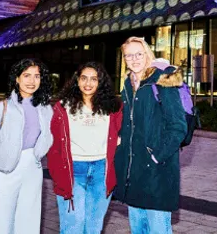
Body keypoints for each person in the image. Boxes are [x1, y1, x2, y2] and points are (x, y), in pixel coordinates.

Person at [115, 37, 187, 234]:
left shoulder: (162, 81)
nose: (134, 59)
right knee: (138, 229)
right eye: (129, 55)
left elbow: (178, 126)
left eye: (139, 54)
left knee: (157, 229)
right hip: (134, 170)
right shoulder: (128, 85)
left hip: (157, 171)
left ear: (147, 54)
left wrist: (157, 155)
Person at [0, 59, 54, 233]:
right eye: (26, 75)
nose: (32, 81)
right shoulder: (0, 110)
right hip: (5, 172)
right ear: (17, 79)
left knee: (29, 224)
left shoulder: (46, 109)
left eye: (37, 76)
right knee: (0, 224)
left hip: (33, 170)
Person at [48, 61, 122, 234]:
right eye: (84, 78)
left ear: (100, 82)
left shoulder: (113, 106)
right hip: (73, 170)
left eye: (94, 79)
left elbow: (122, 130)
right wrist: (57, 172)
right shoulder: (63, 107)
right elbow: (54, 144)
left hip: (101, 171)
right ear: (77, 80)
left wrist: (119, 141)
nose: (88, 83)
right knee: (73, 224)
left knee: (94, 225)